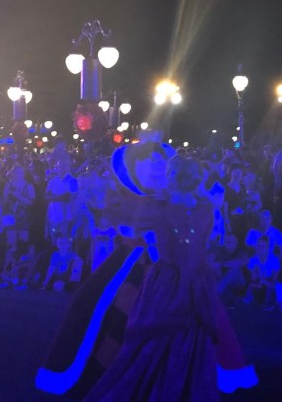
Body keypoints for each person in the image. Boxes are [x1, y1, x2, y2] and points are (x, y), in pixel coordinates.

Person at [36, 136, 257, 399]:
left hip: (167, 276)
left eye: (160, 165)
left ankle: (160, 377)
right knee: (104, 309)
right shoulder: (194, 207)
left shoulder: (173, 207)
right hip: (154, 270)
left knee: (164, 327)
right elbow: (126, 225)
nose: (155, 170)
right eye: (148, 164)